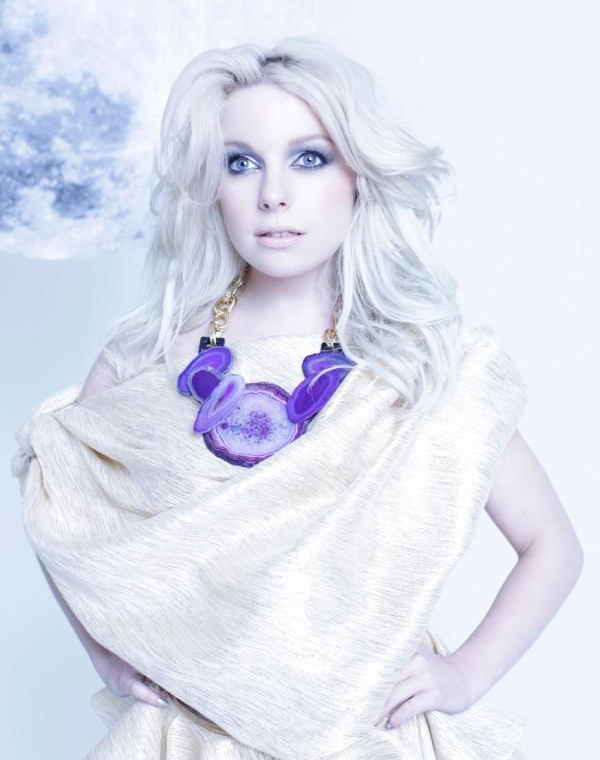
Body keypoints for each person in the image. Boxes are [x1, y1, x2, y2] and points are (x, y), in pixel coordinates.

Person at [12, 35, 583, 759]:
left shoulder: (418, 365)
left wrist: (466, 673)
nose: (272, 193)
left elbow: (552, 545)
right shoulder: (147, 353)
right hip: (192, 735)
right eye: (240, 162)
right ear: (211, 185)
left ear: (359, 176)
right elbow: (57, 503)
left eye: (308, 158)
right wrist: (106, 658)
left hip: (368, 733)